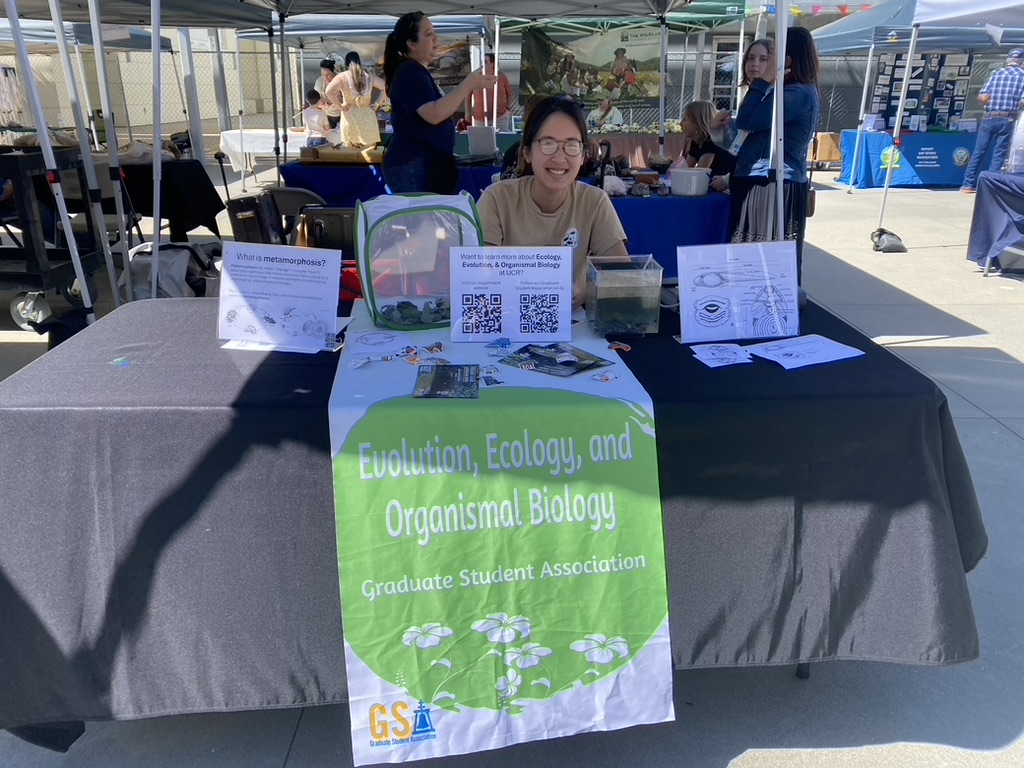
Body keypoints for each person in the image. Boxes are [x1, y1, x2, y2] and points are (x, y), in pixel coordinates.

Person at [477, 96, 628, 309]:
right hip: (508, 316)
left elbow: (622, 272)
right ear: (527, 152)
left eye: (571, 145)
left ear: (583, 156)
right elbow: (482, 276)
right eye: (548, 144)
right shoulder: (496, 199)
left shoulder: (594, 201)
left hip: (572, 320)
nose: (559, 158)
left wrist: (588, 290)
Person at [730, 29, 819, 283]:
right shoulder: (792, 91)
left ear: (787, 59)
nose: (767, 62)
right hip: (766, 176)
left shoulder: (796, 94)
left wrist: (762, 82)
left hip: (773, 180)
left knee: (765, 256)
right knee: (758, 255)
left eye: (772, 55)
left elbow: (746, 119)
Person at [382, 12, 497, 194]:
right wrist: (467, 84)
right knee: (421, 212)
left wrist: (469, 84)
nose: (436, 39)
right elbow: (434, 114)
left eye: (434, 32)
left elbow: (439, 111)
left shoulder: (416, 71)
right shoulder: (409, 71)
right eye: (428, 34)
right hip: (415, 164)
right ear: (411, 44)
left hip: (425, 163)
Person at [960, 48, 1024, 194]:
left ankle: (967, 184)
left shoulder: (996, 73)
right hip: (1008, 118)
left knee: (979, 152)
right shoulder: (1023, 76)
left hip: (989, 116)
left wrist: (993, 100)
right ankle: (990, 187)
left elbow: (983, 97)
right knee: (999, 154)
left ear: (1008, 60)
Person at [326, 51, 386, 148]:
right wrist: (376, 103)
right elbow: (385, 87)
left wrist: (340, 106)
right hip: (367, 117)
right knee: (369, 150)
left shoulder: (342, 77)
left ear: (346, 63)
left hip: (349, 116)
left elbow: (328, 91)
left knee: (351, 152)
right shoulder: (369, 75)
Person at [682, 100, 736, 178]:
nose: (681, 123)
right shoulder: (695, 142)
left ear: (697, 123)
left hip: (725, 183)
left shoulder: (710, 142)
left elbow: (699, 174)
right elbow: (686, 169)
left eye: (685, 119)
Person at [466, 53, 513, 131]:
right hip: (480, 117)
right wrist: (468, 112)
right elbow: (468, 95)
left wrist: (508, 107)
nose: (483, 65)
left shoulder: (501, 76)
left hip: (499, 116)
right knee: (481, 137)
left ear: (492, 63)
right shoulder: (476, 77)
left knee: (501, 137)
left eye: (485, 62)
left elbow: (509, 93)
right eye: (482, 62)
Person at [314, 58, 342, 130]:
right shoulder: (319, 81)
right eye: (323, 74)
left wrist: (337, 104)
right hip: (326, 115)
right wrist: (323, 103)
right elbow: (316, 98)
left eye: (327, 74)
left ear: (333, 71)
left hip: (342, 114)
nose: (325, 77)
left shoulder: (341, 79)